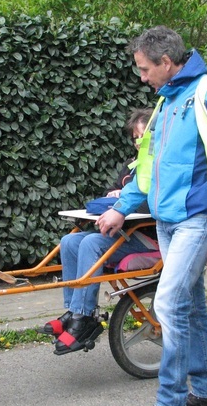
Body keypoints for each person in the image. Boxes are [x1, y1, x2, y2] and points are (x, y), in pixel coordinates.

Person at [97, 26, 207, 406]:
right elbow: (146, 168)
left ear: (166, 62)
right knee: (192, 306)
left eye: (146, 69)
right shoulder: (166, 101)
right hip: (167, 221)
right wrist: (120, 208)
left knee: (168, 303)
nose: (142, 77)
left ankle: (171, 405)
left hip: (197, 220)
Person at [41, 108, 159, 354]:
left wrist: (126, 201)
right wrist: (114, 196)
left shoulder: (161, 165)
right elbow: (112, 192)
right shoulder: (131, 167)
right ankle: (74, 311)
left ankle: (84, 317)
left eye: (143, 136)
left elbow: (157, 203)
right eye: (135, 138)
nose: (139, 143)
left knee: (91, 243)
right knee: (70, 241)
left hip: (151, 238)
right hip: (128, 233)